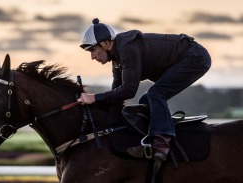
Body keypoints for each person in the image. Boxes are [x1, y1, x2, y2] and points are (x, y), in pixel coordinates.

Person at [77, 18, 211, 162]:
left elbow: (128, 90)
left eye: (93, 50)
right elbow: (116, 95)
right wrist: (109, 128)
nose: (92, 57)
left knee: (155, 94)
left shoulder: (127, 49)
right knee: (145, 100)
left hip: (195, 56)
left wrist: (94, 98)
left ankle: (162, 140)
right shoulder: (117, 60)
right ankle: (150, 136)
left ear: (105, 43)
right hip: (186, 57)